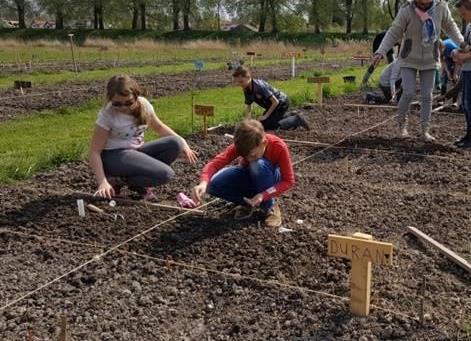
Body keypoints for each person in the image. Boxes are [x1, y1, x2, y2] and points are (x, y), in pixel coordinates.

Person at [89, 75, 198, 199]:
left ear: (136, 96)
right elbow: (94, 152)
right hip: (114, 155)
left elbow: (160, 127)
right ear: (110, 99)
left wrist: (184, 143)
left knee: (175, 143)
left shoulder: (144, 105)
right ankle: (117, 179)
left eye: (128, 102)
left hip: (136, 151)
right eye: (117, 104)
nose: (123, 107)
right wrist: (102, 182)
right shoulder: (107, 115)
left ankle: (135, 182)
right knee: (165, 174)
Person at [373, 0, 464, 142]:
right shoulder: (407, 9)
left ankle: (424, 131)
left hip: (430, 58)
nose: (421, 5)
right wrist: (380, 51)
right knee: (408, 92)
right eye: (419, 2)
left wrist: (462, 43)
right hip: (408, 57)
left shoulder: (441, 7)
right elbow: (394, 31)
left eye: (424, 3)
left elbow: (451, 27)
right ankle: (402, 127)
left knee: (427, 95)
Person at [191, 119, 295, 228]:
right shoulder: (242, 146)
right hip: (249, 174)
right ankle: (248, 203)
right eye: (246, 156)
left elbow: (288, 181)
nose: (249, 159)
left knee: (257, 165)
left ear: (264, 142)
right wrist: (203, 182)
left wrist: (264, 195)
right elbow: (214, 164)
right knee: (212, 184)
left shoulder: (278, 146)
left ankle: (270, 205)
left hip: (270, 179)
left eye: (253, 155)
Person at [232, 66, 310, 132]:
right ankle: (290, 115)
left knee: (271, 126)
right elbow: (248, 106)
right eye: (238, 82)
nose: (239, 84)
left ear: (248, 77)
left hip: (281, 103)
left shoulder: (259, 86)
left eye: (241, 82)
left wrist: (266, 116)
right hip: (272, 106)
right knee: (262, 124)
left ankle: (296, 119)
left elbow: (275, 101)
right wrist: (247, 121)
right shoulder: (246, 88)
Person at [452, 0, 471, 148]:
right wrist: (457, 53)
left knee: (469, 104)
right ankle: (468, 135)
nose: (462, 16)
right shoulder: (469, 26)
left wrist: (463, 57)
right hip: (467, 70)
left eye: (463, 12)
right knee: (465, 104)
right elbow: (467, 48)